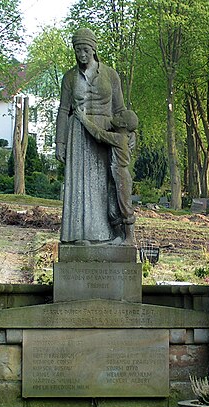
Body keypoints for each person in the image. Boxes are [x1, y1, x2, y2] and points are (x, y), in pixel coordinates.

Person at [55, 28, 127, 245]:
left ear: (94, 49)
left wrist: (128, 135)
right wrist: (60, 142)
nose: (82, 55)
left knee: (106, 185)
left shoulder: (111, 75)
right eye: (78, 51)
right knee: (79, 185)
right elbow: (62, 110)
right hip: (78, 133)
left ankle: (107, 233)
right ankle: (79, 235)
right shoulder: (69, 77)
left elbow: (120, 109)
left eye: (85, 50)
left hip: (104, 134)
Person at [75, 107, 138, 245]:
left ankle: (129, 239)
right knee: (112, 209)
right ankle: (119, 236)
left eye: (120, 115)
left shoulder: (119, 138)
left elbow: (98, 134)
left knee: (125, 208)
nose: (116, 114)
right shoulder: (122, 136)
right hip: (114, 175)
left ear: (123, 125)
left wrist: (83, 118)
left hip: (121, 175)